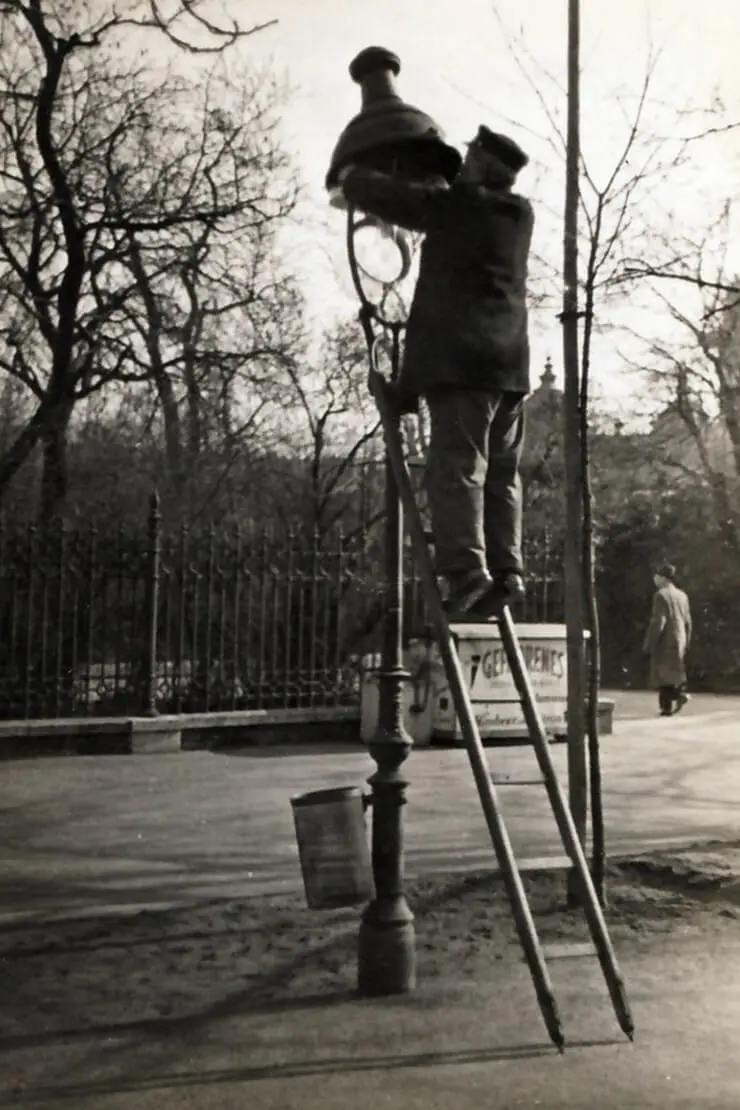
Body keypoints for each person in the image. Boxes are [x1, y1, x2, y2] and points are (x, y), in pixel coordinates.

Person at [338, 125, 534, 618]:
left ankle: (466, 576)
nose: (464, 163)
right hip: (510, 370)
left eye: (471, 157)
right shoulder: (517, 214)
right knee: (502, 477)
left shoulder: (459, 209)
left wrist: (353, 177)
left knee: (457, 470)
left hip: (464, 368)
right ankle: (507, 571)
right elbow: (447, 209)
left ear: (483, 165)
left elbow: (406, 203)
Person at [642, 563, 692, 716]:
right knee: (674, 673)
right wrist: (687, 640)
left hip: (665, 640)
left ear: (663, 578)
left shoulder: (660, 595)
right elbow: (688, 621)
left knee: (662, 674)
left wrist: (650, 642)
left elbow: (659, 621)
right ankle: (676, 698)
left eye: (656, 576)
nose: (654, 579)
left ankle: (669, 705)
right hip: (680, 639)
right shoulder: (682, 595)